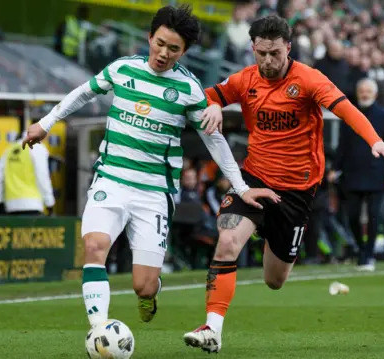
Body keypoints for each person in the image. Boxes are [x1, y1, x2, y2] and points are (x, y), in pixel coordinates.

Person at [21, 4, 278, 333]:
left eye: (173, 49)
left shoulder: (188, 89)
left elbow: (214, 141)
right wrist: (45, 122)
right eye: (159, 43)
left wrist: (241, 187)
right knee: (95, 246)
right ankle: (100, 331)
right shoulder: (122, 70)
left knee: (142, 284)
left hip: (154, 192)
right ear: (149, 37)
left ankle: (150, 292)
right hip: (111, 179)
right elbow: (83, 93)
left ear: (183, 52)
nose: (163, 53)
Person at [183, 15, 384, 353]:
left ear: (289, 47)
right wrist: (212, 106)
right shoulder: (245, 79)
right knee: (226, 243)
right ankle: (213, 329)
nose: (268, 62)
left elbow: (347, 110)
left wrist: (374, 141)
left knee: (274, 280)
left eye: (275, 54)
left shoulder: (309, 80)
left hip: (296, 192)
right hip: (252, 179)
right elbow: (211, 94)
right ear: (253, 48)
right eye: (261, 53)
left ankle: (268, 230)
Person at [329, 78, 384, 271]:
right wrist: (335, 168)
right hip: (352, 174)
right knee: (352, 216)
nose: (365, 94)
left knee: (375, 216)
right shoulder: (349, 114)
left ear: (375, 94)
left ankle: (368, 255)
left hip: (376, 174)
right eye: (362, 90)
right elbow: (342, 145)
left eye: (368, 91)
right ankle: (361, 249)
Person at [0, 135, 55, 215]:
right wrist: (49, 202)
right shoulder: (37, 148)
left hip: (11, 206)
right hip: (32, 205)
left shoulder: (10, 149)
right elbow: (42, 176)